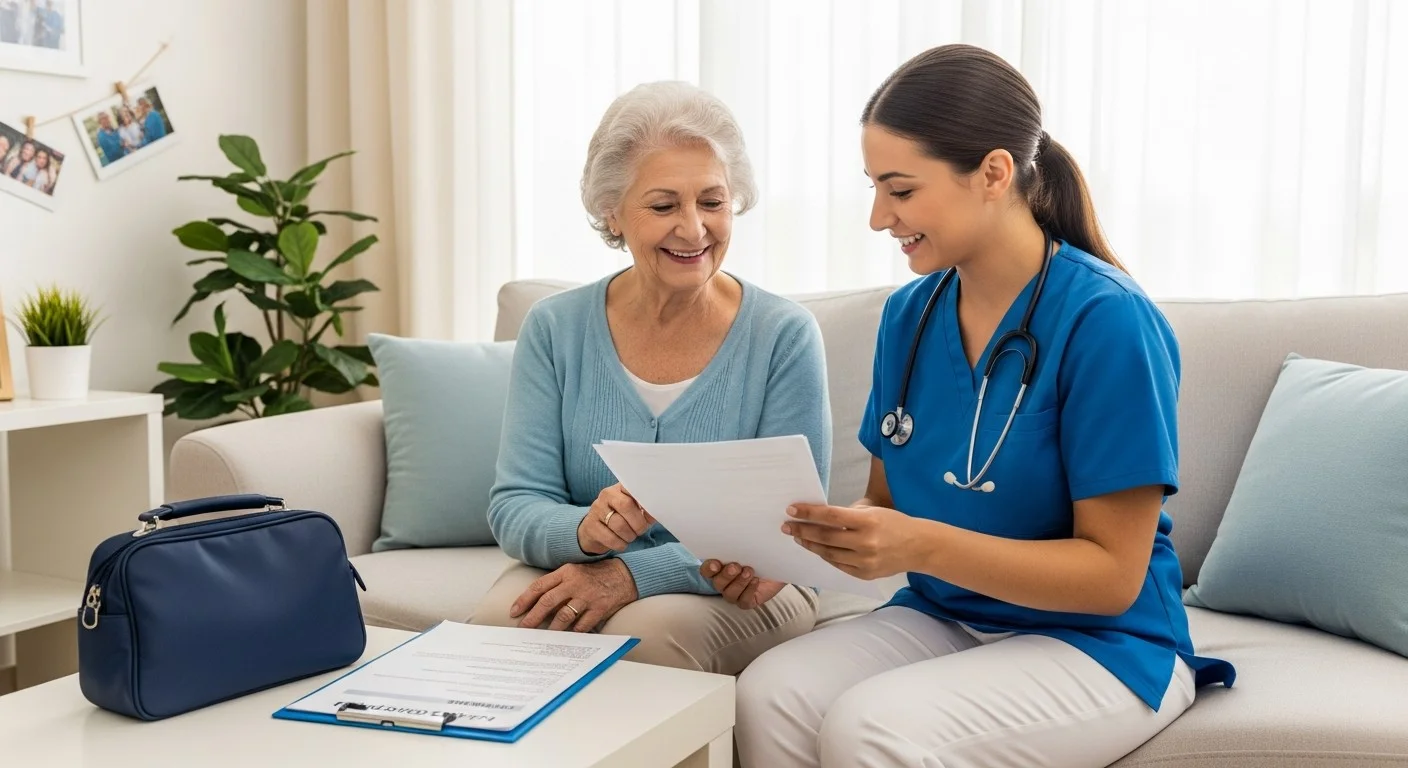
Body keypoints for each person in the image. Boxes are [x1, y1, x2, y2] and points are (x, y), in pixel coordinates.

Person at [735, 44, 1236, 768]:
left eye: (900, 190)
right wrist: (798, 546)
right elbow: (884, 502)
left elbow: (1111, 576)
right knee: (770, 689)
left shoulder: (1108, 321)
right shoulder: (909, 316)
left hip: (1104, 642)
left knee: (871, 725)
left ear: (994, 173)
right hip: (948, 614)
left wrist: (918, 545)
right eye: (874, 187)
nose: (879, 217)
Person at [468, 81, 832, 676]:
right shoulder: (555, 327)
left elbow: (785, 529)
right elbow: (515, 504)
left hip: (747, 582)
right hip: (588, 564)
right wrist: (585, 531)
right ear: (612, 211)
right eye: (664, 206)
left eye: (712, 202)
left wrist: (631, 574)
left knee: (647, 644)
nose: (694, 230)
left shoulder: (784, 334)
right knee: (492, 636)